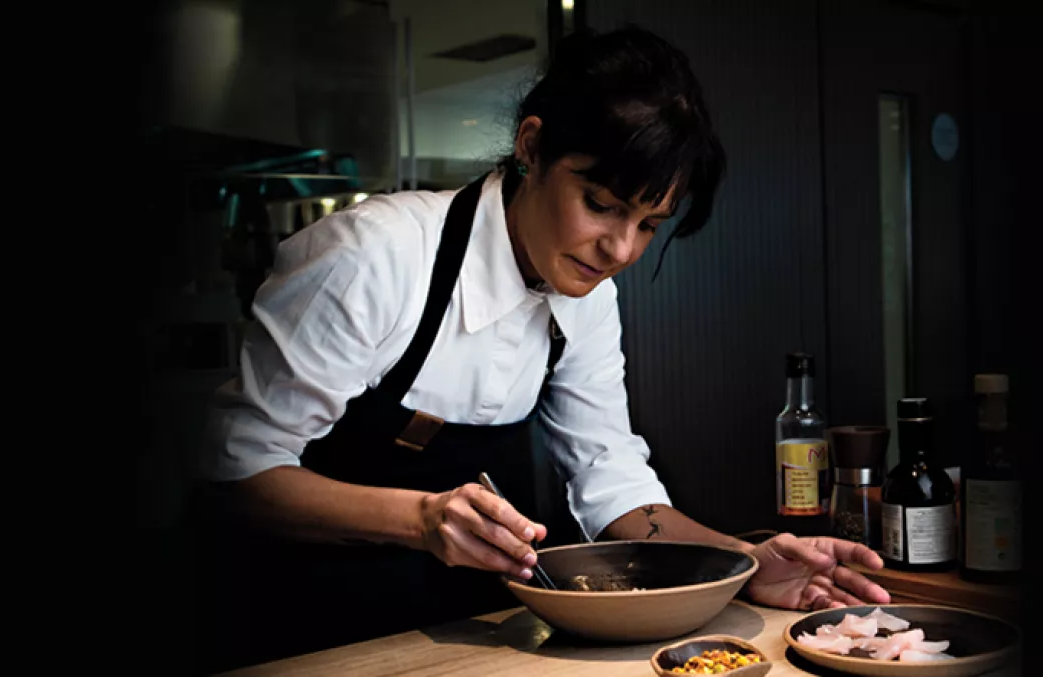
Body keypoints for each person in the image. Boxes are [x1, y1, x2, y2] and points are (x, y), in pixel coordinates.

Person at [191, 24, 890, 674]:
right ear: (531, 147)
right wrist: (423, 518)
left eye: (649, 223)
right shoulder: (373, 256)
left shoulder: (586, 294)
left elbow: (608, 474)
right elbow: (234, 475)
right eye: (602, 205)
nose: (620, 250)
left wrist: (741, 560)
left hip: (466, 632)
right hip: (304, 630)